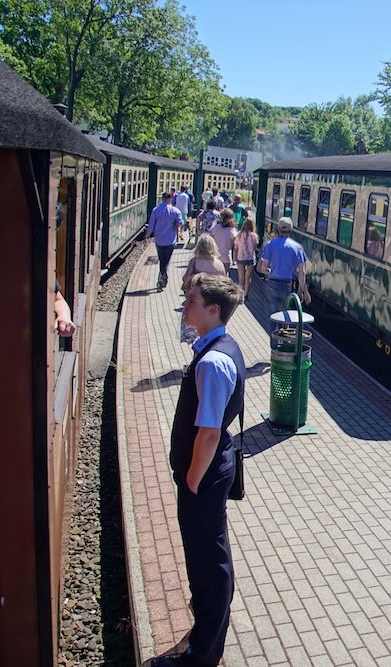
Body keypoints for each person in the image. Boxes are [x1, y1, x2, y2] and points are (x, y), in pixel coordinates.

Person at [141, 274, 245, 667]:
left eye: (192, 300)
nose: (185, 306)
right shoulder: (218, 348)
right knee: (210, 556)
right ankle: (208, 627)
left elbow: (208, 433)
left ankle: (201, 654)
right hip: (209, 470)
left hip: (204, 473)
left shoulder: (214, 361)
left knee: (207, 563)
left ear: (213, 310)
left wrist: (191, 480)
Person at [260, 217, 310, 333]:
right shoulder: (297, 247)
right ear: (291, 230)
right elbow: (302, 272)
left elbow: (263, 268)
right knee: (285, 314)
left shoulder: (270, 245)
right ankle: (284, 341)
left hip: (273, 283)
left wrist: (270, 271)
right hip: (288, 285)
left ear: (277, 229)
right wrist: (302, 290)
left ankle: (274, 343)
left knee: (273, 316)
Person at [146, 192, 183, 291]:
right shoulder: (175, 211)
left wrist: (147, 236)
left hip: (159, 240)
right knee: (165, 261)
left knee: (162, 260)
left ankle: (162, 279)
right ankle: (161, 280)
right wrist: (178, 230)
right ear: (171, 199)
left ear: (162, 199)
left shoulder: (156, 210)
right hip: (170, 240)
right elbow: (180, 223)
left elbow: (150, 226)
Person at [234, 217, 259, 300]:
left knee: (241, 278)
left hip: (240, 257)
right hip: (250, 258)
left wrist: (234, 258)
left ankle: (240, 294)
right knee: (248, 277)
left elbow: (236, 247)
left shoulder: (239, 234)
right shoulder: (254, 236)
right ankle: (246, 294)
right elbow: (255, 247)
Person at [210, 209, 238, 278]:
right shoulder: (232, 230)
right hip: (226, 256)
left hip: (215, 255)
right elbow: (235, 245)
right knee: (225, 275)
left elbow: (210, 239)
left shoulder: (216, 228)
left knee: (215, 275)